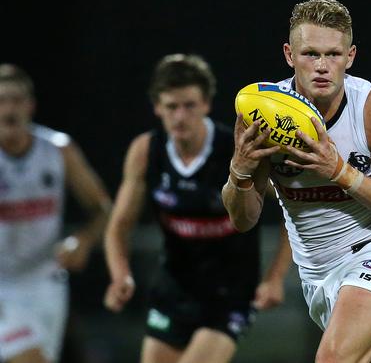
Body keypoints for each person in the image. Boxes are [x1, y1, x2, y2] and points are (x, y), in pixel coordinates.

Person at [222, 0, 371, 362]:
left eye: (333, 54)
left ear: (351, 56)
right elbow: (243, 219)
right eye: (310, 53)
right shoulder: (268, 115)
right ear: (288, 54)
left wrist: (340, 172)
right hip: (315, 274)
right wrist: (240, 171)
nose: (322, 67)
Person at [103, 54, 291, 363]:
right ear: (157, 108)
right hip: (173, 290)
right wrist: (120, 275)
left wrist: (275, 277)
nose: (179, 117)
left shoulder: (235, 151)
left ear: (206, 104)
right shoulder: (145, 152)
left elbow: (291, 210)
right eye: (171, 107)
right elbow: (119, 224)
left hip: (229, 296)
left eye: (189, 105)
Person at [0, 63, 111, 363]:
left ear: (30, 106)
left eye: (16, 100)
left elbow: (102, 208)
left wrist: (83, 242)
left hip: (45, 280)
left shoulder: (58, 149)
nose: (9, 109)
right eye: (1, 101)